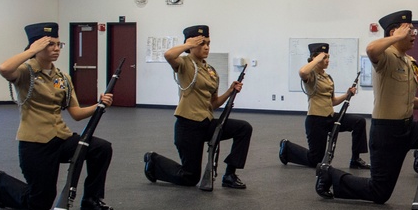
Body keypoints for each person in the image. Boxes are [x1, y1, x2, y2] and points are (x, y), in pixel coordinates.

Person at [315, 10, 418, 205]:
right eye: (409, 31)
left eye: (413, 31)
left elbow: (409, 99)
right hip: (387, 133)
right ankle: (328, 174)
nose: (413, 36)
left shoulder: (410, 62)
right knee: (379, 192)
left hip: (409, 127)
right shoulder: (385, 56)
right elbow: (371, 50)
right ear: (394, 32)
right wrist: (395, 38)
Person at [0, 22, 115, 210]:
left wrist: (98, 105)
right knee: (39, 203)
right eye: (49, 44)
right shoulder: (25, 71)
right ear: (36, 46)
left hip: (61, 138)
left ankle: (91, 199)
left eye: (58, 44)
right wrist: (31, 51)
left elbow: (76, 113)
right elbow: (4, 69)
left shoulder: (63, 77)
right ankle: (0, 180)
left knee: (101, 148)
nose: (56, 49)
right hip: (36, 143)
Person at [143, 25, 253, 189]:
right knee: (190, 177)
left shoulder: (211, 71)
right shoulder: (184, 64)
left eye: (208, 43)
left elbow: (213, 104)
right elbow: (168, 55)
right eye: (202, 43)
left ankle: (230, 174)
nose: (206, 47)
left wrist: (230, 91)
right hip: (188, 126)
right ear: (192, 44)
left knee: (243, 128)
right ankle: (154, 161)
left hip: (206, 123)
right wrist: (188, 45)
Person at [278, 43, 370, 170]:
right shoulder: (310, 75)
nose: (327, 60)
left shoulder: (328, 77)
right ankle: (287, 147)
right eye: (324, 57)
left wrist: (347, 95)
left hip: (330, 117)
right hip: (316, 120)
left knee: (359, 121)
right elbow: (302, 71)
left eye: (328, 57)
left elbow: (332, 101)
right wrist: (316, 59)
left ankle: (355, 159)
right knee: (315, 160)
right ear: (315, 58)